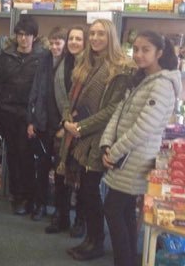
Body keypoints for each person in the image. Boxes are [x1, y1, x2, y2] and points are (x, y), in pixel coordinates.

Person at [100, 31, 181, 266]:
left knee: (113, 209)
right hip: (123, 155)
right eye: (135, 49)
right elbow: (119, 113)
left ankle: (123, 261)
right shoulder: (142, 79)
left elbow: (144, 127)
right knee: (122, 210)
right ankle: (125, 260)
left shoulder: (163, 84)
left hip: (134, 158)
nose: (138, 54)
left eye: (145, 49)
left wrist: (114, 153)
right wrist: (107, 143)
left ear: (160, 53)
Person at [60, 19, 134, 261]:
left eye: (101, 34)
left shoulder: (119, 68)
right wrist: (67, 120)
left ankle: (97, 242)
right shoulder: (85, 63)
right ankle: (90, 239)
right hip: (79, 135)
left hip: (98, 138)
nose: (95, 38)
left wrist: (80, 127)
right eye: (92, 33)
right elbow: (72, 97)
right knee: (84, 192)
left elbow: (113, 108)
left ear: (110, 36)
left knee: (91, 191)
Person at [0, 16, 47, 217]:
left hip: (29, 116)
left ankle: (30, 197)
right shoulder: (5, 57)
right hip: (8, 113)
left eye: (27, 35)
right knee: (13, 157)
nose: (23, 39)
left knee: (28, 158)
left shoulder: (43, 57)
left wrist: (36, 118)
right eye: (20, 35)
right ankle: (17, 196)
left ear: (35, 36)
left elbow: (43, 91)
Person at [33, 26, 87, 234]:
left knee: (80, 177)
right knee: (61, 174)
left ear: (85, 43)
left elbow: (88, 100)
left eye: (78, 39)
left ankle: (80, 220)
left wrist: (72, 125)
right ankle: (61, 215)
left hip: (81, 129)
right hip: (60, 127)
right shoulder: (63, 62)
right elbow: (55, 98)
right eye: (71, 38)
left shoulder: (89, 64)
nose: (74, 42)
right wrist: (61, 126)